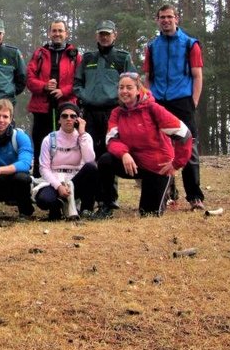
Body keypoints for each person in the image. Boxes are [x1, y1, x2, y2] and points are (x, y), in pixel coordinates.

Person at [97, 73, 192, 216]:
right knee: (105, 160)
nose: (124, 91)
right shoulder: (116, 113)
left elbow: (184, 134)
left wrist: (176, 164)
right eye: (121, 87)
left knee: (148, 214)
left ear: (138, 90)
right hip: (133, 163)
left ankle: (168, 187)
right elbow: (111, 140)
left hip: (157, 167)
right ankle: (107, 205)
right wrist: (124, 154)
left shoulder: (153, 109)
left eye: (129, 87)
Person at [143, 4, 206, 210]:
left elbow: (197, 76)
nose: (166, 20)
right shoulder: (152, 47)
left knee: (189, 147)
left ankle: (194, 195)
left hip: (183, 101)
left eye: (169, 17)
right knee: (161, 148)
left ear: (176, 19)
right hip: (159, 102)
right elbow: (148, 77)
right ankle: (168, 193)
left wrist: (193, 102)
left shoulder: (190, 44)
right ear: (157, 20)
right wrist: (149, 100)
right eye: (162, 17)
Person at [73, 20, 136, 159]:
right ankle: (91, 180)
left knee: (112, 148)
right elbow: (77, 82)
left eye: (107, 34)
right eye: (101, 34)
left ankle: (110, 181)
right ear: (97, 36)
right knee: (88, 149)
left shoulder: (122, 57)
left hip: (112, 111)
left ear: (115, 35)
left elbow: (133, 83)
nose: (104, 37)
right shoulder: (88, 58)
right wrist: (85, 96)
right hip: (89, 112)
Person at [26, 19, 81, 177]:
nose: (57, 34)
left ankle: (66, 179)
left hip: (66, 106)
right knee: (40, 143)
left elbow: (79, 82)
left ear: (66, 33)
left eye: (60, 31)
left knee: (66, 144)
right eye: (54, 31)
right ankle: (38, 178)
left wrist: (63, 91)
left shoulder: (75, 55)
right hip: (42, 106)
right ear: (49, 33)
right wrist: (44, 86)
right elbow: (29, 79)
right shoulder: (39, 54)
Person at [33, 102, 99, 220]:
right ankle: (57, 207)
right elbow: (44, 168)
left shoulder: (85, 137)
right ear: (59, 120)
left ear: (77, 120)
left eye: (73, 116)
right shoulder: (49, 139)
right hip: (55, 179)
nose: (68, 119)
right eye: (64, 116)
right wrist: (58, 186)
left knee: (91, 168)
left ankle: (86, 209)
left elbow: (89, 159)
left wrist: (82, 134)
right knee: (44, 200)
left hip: (75, 179)